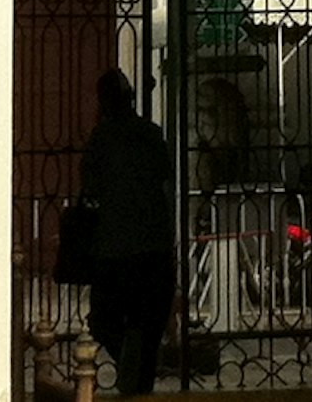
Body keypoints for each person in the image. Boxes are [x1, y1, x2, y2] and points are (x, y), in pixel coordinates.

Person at [80, 69, 178, 394]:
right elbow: (165, 180)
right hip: (152, 246)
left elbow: (89, 188)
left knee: (105, 320)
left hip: (115, 248)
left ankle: (127, 361)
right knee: (148, 329)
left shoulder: (101, 139)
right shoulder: (150, 133)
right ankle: (138, 376)